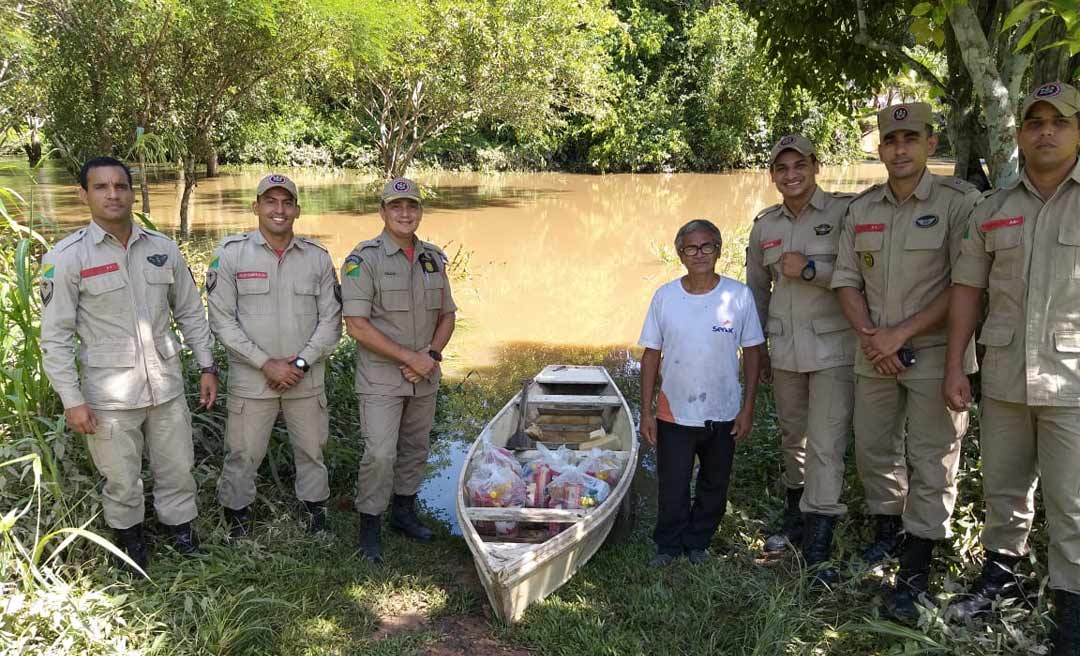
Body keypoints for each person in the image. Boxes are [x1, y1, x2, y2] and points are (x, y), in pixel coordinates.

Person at [944, 81, 1080, 652]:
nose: (1045, 131)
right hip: (1002, 374)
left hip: (1073, 379)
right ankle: (1003, 581)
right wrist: (956, 365)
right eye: (1035, 122)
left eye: (1059, 121)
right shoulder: (993, 209)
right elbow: (968, 291)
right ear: (1020, 134)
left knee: (1072, 499)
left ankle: (1071, 604)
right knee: (1004, 487)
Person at [831, 102, 980, 620]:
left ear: (930, 144)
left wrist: (900, 334)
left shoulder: (960, 202)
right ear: (880, 148)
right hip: (875, 351)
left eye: (910, 139)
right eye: (891, 141)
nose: (900, 149)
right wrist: (875, 337)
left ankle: (918, 561)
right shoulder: (863, 209)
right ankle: (888, 530)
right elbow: (846, 280)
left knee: (933, 455)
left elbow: (966, 284)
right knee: (874, 448)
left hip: (937, 353)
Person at [39, 156, 218, 571]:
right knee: (121, 479)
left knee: (177, 468)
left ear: (132, 192)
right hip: (109, 395)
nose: (113, 194)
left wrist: (207, 366)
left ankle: (181, 533)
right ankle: (130, 545)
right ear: (83, 195)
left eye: (120, 186)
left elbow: (190, 312)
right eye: (101, 187)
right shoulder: (66, 258)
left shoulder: (162, 249)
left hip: (166, 385)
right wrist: (72, 399)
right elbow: (56, 337)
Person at [207, 174, 342, 538]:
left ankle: (316, 516)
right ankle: (236, 522)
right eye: (271, 201)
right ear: (256, 207)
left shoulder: (316, 257)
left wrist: (299, 364)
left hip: (305, 377)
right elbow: (220, 319)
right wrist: (265, 363)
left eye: (287, 202)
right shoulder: (231, 254)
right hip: (253, 380)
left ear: (297, 210)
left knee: (313, 451)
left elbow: (332, 321)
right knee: (242, 454)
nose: (278, 209)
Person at [746, 135, 855, 582]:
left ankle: (819, 542)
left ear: (815, 166)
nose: (791, 175)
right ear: (772, 175)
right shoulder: (764, 225)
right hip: (785, 349)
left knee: (826, 445)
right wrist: (756, 352)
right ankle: (796, 515)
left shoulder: (845, 213)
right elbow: (756, 291)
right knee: (793, 437)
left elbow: (860, 275)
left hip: (834, 349)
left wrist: (811, 269)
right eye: (781, 168)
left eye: (799, 166)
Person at [340, 177, 456, 562]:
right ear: (383, 211)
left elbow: (448, 315)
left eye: (412, 206)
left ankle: (403, 514)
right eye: (396, 206)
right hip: (382, 378)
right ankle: (370, 525)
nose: (405, 213)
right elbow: (356, 325)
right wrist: (411, 359)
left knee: (415, 448)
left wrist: (432, 356)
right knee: (379, 454)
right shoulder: (363, 260)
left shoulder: (433, 258)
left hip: (425, 374)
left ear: (420, 211)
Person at [639, 219, 763, 567]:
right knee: (673, 484)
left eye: (707, 246)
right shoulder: (665, 297)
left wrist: (748, 408)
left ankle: (698, 542)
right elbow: (651, 354)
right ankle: (668, 546)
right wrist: (647, 411)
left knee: (714, 483)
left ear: (719, 251)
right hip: (674, 412)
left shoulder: (738, 296)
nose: (699, 254)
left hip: (723, 411)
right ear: (680, 253)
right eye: (691, 248)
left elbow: (752, 352)